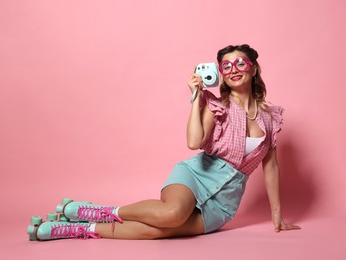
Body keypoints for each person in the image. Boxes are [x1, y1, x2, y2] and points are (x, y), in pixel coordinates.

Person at [27, 44, 300, 241]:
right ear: (220, 74)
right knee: (171, 213)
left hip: (226, 202)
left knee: (160, 231)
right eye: (226, 66)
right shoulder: (215, 106)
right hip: (196, 175)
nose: (233, 69)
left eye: (240, 62)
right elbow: (194, 142)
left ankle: (81, 229)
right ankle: (100, 212)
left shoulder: (270, 118)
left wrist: (277, 215)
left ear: (253, 68)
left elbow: (271, 166)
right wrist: (197, 98)